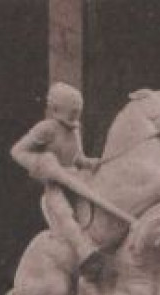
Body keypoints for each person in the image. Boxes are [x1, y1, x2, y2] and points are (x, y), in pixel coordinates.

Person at [10, 82, 104, 278]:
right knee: (63, 213)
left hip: (77, 182)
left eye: (78, 110)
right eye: (73, 111)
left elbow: (76, 157)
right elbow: (17, 151)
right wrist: (41, 163)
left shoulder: (74, 130)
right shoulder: (46, 129)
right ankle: (85, 254)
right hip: (56, 185)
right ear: (56, 108)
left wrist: (88, 162)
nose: (76, 115)